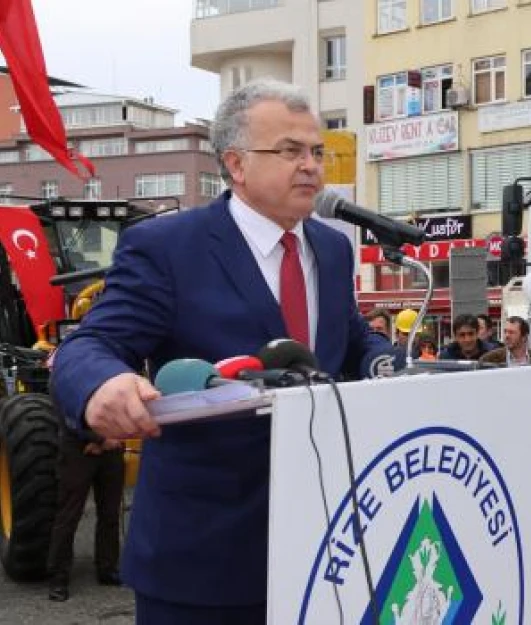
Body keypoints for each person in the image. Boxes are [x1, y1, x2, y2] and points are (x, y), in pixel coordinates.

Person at [49, 80, 401, 623]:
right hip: (203, 556)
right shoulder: (168, 247)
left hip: (324, 545)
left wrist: (386, 360)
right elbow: (94, 342)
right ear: (235, 164)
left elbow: (345, 335)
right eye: (289, 151)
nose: (310, 165)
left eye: (316, 152)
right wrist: (101, 384)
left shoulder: (331, 248)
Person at [46, 425, 125, 601]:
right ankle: (58, 578)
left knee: (110, 514)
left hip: (112, 449)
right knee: (68, 516)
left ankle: (107, 569)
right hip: (77, 449)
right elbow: (68, 415)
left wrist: (110, 440)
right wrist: (99, 440)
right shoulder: (67, 395)